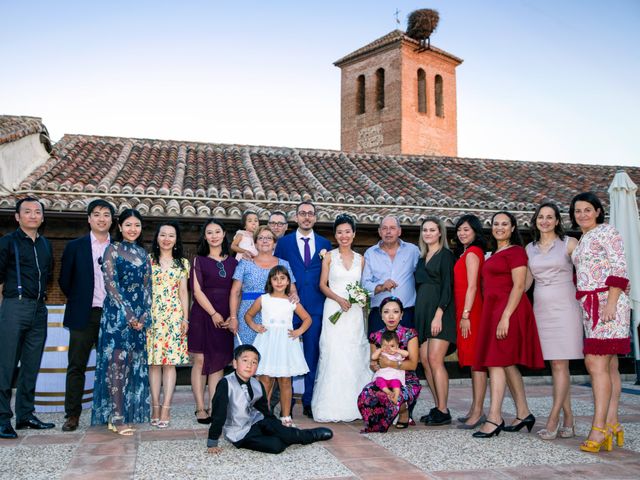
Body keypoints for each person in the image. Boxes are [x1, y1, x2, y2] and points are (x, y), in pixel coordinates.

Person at [473, 211, 544, 438]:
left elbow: (519, 285)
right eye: (496, 224)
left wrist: (506, 316)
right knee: (506, 363)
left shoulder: (515, 251)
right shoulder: (496, 252)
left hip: (508, 311)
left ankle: (494, 418)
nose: (500, 227)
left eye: (505, 224)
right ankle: (524, 413)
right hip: (493, 311)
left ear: (513, 228)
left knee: (495, 362)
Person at [570, 192, 631, 453]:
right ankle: (613, 422)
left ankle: (598, 428)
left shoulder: (607, 232)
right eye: (577, 211)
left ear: (597, 211)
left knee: (595, 363)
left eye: (587, 209)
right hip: (590, 306)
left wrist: (610, 303)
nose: (582, 214)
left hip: (608, 303)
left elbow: (619, 267)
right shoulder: (583, 238)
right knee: (609, 365)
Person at [207, 345, 333, 455]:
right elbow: (219, 413)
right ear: (235, 363)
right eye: (245, 360)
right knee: (276, 446)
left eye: (254, 362)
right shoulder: (225, 383)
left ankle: (309, 435)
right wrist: (212, 441)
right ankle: (289, 436)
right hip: (239, 432)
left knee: (281, 430)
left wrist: (276, 426)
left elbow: (264, 410)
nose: (249, 365)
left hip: (257, 421)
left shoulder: (257, 383)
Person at [91, 209, 152, 435]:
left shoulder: (143, 254)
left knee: (132, 364)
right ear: (120, 227)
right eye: (128, 225)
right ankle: (116, 417)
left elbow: (147, 287)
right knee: (116, 363)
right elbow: (111, 285)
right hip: (117, 316)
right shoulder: (112, 249)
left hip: (138, 317)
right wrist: (128, 314)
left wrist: (144, 315)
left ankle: (125, 412)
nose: (132, 229)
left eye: (137, 225)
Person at [525, 203, 583, 440]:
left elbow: (586, 272)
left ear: (558, 221)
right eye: (541, 217)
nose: (545, 221)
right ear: (535, 220)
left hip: (566, 309)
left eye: (550, 217)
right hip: (542, 309)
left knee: (560, 364)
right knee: (557, 366)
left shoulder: (570, 243)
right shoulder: (529, 248)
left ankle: (554, 418)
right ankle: (569, 417)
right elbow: (526, 282)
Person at [0, 197, 54, 439]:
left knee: (31, 365)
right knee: (6, 366)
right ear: (17, 217)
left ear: (42, 217)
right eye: (27, 211)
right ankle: (2, 418)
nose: (33, 215)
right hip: (14, 306)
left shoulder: (45, 245)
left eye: (37, 212)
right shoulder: (6, 242)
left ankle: (25, 415)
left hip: (38, 309)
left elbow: (48, 276)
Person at [58, 199, 114, 432]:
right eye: (97, 214)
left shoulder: (119, 247)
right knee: (77, 365)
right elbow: (64, 281)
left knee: (111, 365)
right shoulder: (75, 246)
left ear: (112, 220)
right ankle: (72, 414)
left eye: (106, 215)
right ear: (89, 218)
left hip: (112, 316)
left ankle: (111, 412)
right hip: (84, 314)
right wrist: (82, 298)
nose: (102, 219)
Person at [273, 201, 332, 418]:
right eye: (302, 213)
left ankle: (309, 401)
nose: (306, 217)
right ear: (296, 217)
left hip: (316, 306)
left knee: (311, 355)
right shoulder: (285, 243)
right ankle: (278, 401)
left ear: (315, 218)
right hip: (288, 306)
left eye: (310, 214)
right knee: (282, 352)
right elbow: (277, 271)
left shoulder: (325, 243)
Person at [312, 214, 372, 422]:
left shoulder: (361, 259)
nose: (344, 236)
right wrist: (338, 299)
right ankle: (331, 407)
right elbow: (322, 284)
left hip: (354, 313)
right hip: (334, 309)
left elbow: (364, 287)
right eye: (340, 232)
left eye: (347, 231)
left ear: (354, 234)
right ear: (335, 235)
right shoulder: (329, 256)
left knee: (354, 352)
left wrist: (360, 298)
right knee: (333, 353)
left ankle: (357, 405)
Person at [245, 266, 311, 427]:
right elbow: (248, 315)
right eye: (275, 279)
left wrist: (299, 331)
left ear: (288, 281)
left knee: (285, 381)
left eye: (283, 278)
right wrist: (255, 326)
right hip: (267, 342)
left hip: (285, 344)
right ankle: (264, 415)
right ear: (270, 281)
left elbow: (307, 318)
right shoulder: (263, 299)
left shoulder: (292, 301)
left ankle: (286, 416)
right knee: (266, 380)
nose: (279, 282)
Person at [188, 219, 238, 424]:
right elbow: (196, 291)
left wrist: (231, 316)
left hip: (226, 316)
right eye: (209, 232)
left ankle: (213, 405)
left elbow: (237, 291)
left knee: (217, 361)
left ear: (224, 234)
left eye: (217, 231)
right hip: (203, 314)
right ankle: (200, 407)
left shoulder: (234, 262)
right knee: (200, 360)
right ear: (205, 237)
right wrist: (213, 313)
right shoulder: (198, 261)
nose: (214, 236)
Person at [147, 222, 190, 428]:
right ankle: (154, 406)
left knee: (169, 363)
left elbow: (184, 293)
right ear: (157, 238)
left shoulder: (182, 263)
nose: (166, 239)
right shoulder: (148, 261)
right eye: (162, 234)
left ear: (176, 239)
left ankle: (166, 408)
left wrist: (185, 319)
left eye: (171, 235)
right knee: (154, 363)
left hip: (173, 318)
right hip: (152, 317)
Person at [414, 217, 456, 426]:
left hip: (440, 312)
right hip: (422, 313)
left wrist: (439, 314)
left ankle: (443, 409)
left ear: (440, 233)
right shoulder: (422, 258)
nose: (428, 233)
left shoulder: (446, 256)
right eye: (425, 230)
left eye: (432, 230)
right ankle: (438, 405)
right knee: (424, 360)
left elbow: (449, 286)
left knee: (435, 359)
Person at [358, 297, 421, 433]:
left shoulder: (410, 334)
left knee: (396, 394)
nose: (391, 316)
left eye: (395, 312)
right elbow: (373, 362)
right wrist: (375, 366)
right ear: (381, 315)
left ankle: (404, 411)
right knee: (367, 393)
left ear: (402, 314)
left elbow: (413, 365)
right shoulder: (375, 336)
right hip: (384, 377)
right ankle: (383, 415)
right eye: (386, 312)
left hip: (406, 379)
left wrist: (391, 363)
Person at [231, 226, 297, 347]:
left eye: (268, 238)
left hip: (276, 316)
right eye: (260, 238)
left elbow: (292, 290)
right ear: (255, 243)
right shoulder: (245, 263)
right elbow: (235, 292)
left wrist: (294, 297)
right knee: (246, 354)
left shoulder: (284, 264)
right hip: (247, 315)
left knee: (272, 355)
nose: (265, 240)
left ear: (274, 243)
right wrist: (233, 317)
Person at [452, 214, 487, 429]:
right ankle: (474, 408)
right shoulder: (465, 253)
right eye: (459, 230)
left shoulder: (473, 253)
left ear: (475, 231)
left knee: (477, 363)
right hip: (465, 311)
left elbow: (473, 286)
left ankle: (478, 412)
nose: (462, 233)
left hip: (471, 312)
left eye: (466, 229)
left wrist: (466, 314)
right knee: (473, 363)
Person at [362, 215, 420, 334]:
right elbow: (364, 285)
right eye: (384, 228)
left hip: (407, 314)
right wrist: (381, 287)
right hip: (379, 314)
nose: (388, 232)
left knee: (407, 352)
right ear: (379, 232)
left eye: (392, 228)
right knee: (379, 352)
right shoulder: (370, 253)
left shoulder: (413, 251)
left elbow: (423, 275)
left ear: (399, 231)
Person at [370, 330, 409, 404]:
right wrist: (380, 350)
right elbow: (373, 357)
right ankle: (388, 392)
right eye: (385, 345)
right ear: (381, 345)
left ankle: (395, 397)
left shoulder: (398, 354)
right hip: (383, 376)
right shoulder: (382, 353)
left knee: (396, 384)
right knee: (379, 381)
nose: (388, 348)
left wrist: (397, 350)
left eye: (392, 346)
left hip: (394, 377)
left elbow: (407, 354)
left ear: (397, 346)